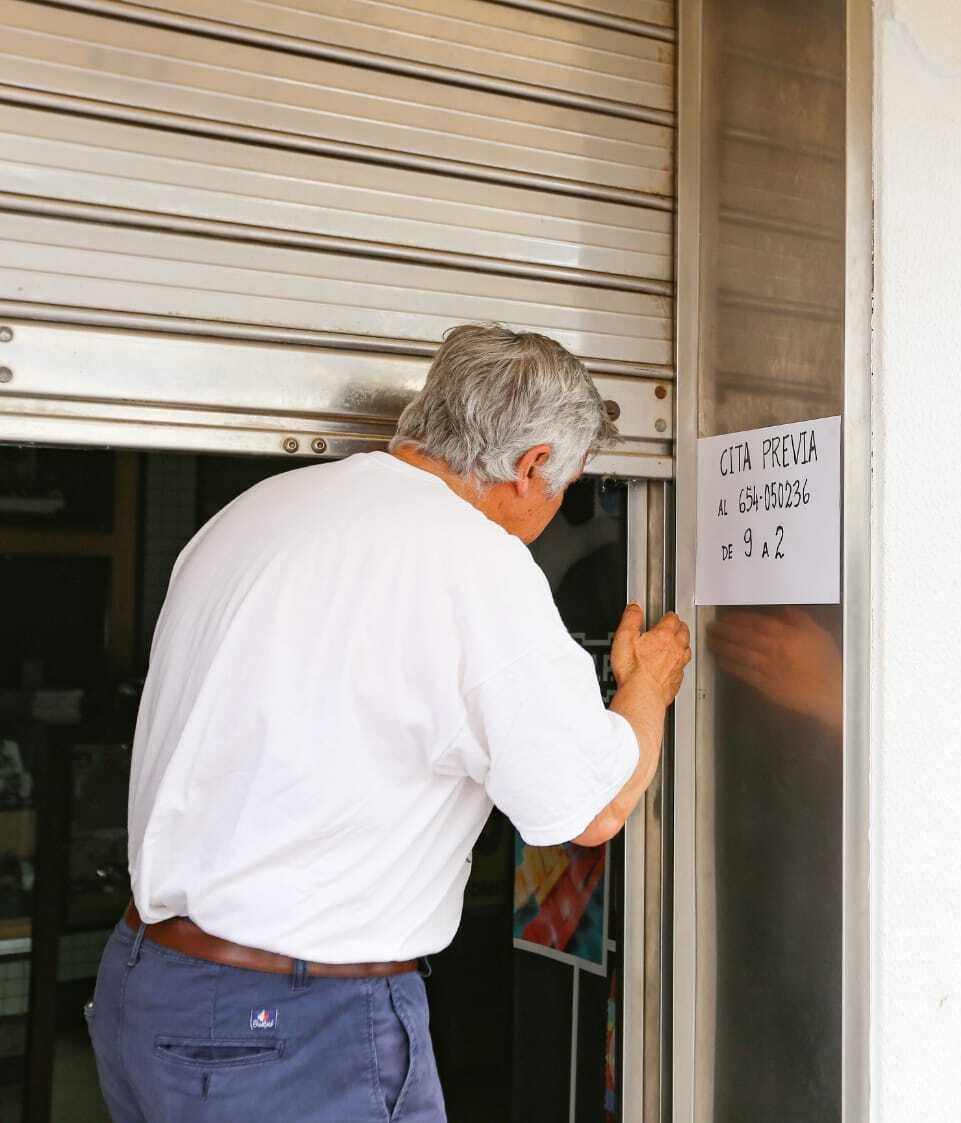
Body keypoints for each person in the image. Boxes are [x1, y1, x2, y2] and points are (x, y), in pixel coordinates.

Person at [87, 325, 691, 1122]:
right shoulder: (476, 563)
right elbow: (593, 808)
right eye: (565, 488)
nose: (555, 512)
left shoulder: (252, 513)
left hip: (144, 989)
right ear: (533, 464)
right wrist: (647, 685)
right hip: (292, 1029)